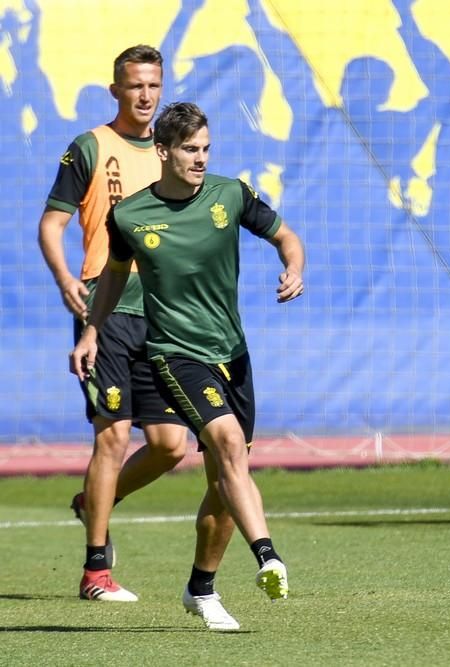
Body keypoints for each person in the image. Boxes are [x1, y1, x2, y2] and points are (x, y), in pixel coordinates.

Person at [71, 101, 302, 629]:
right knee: (225, 443)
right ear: (163, 151)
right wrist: (92, 330)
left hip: (233, 355)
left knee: (223, 482)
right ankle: (268, 555)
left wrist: (294, 267)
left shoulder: (231, 194)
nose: (200, 159)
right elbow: (114, 275)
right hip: (175, 354)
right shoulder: (130, 215)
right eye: (189, 149)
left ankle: (201, 587)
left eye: (205, 149)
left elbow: (286, 236)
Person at [37, 45, 234, 605]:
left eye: (153, 85)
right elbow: (50, 225)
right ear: (116, 91)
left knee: (170, 447)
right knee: (114, 435)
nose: (145, 95)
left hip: (164, 315)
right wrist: (65, 279)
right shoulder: (91, 147)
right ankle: (95, 571)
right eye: (134, 86)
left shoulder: (177, 151)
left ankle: (93, 503)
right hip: (106, 308)